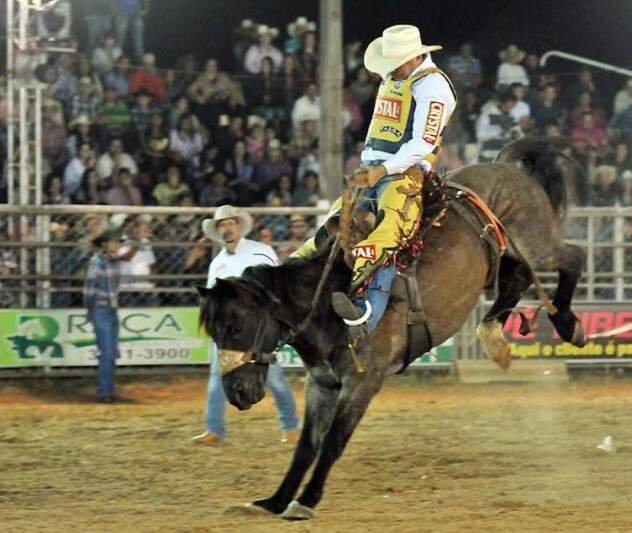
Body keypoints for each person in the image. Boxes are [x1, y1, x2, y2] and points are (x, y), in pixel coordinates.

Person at [293, 25, 456, 340]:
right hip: (374, 168)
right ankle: (288, 276)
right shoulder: (398, 79)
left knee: (386, 236)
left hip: (403, 175)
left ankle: (364, 316)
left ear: (412, 57)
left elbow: (423, 143)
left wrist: (381, 170)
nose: (389, 69)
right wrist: (370, 164)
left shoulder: (433, 87)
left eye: (394, 61)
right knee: (334, 226)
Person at [192, 205, 300, 445]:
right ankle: (214, 429)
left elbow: (276, 282)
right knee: (217, 380)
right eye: (222, 224)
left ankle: (291, 427)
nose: (227, 228)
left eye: (231, 223)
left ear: (238, 226)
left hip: (255, 331)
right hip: (231, 332)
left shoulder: (260, 251)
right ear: (218, 230)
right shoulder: (217, 263)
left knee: (274, 379)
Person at [83, 229, 122, 403]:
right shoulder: (97, 261)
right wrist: (90, 309)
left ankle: (107, 389)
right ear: (105, 244)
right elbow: (89, 288)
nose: (117, 245)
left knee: (110, 351)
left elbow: (91, 288)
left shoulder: (112, 261)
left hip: (109, 309)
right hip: (102, 308)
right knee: (108, 351)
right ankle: (105, 391)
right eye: (114, 242)